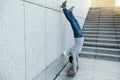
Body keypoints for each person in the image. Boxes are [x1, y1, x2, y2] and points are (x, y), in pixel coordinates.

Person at [60, 0, 84, 76]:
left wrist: (75, 68)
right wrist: (74, 70)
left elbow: (75, 60)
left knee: (73, 22)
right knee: (74, 21)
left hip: (79, 36)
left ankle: (66, 9)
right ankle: (67, 10)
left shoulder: (74, 52)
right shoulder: (74, 53)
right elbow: (75, 61)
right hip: (80, 36)